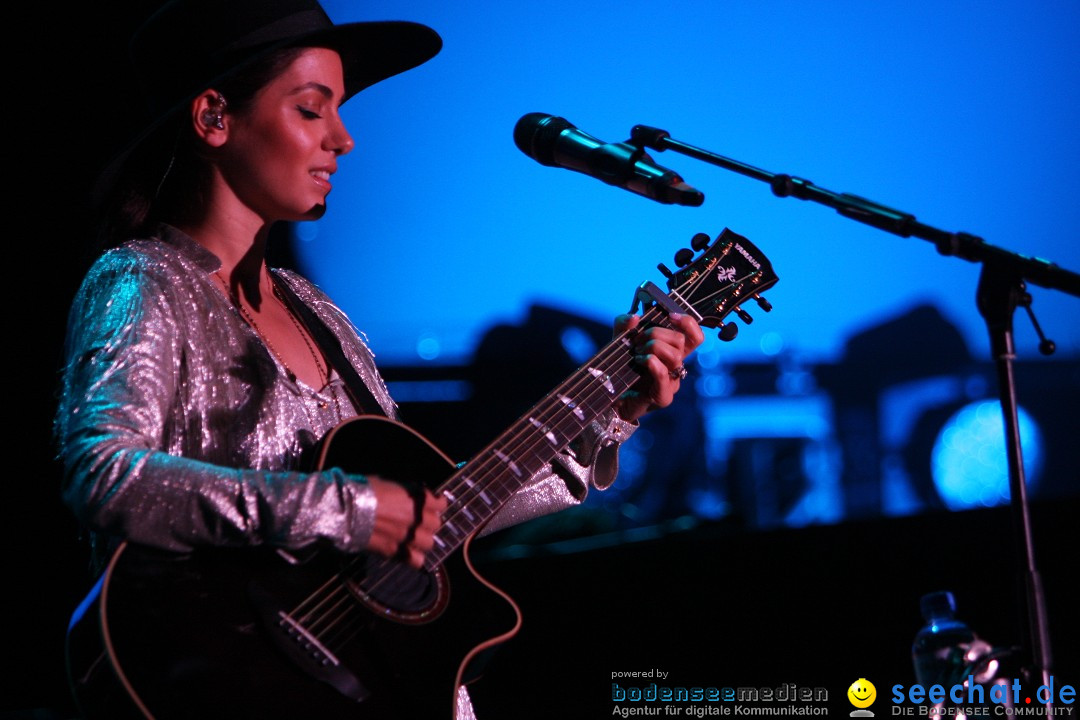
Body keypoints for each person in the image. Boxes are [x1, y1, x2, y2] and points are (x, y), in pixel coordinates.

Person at [54, 0, 703, 717]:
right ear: (213, 117)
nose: (344, 138)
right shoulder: (147, 281)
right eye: (312, 110)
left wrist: (612, 409)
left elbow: (432, 515)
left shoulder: (316, 309)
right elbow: (107, 476)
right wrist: (349, 507)